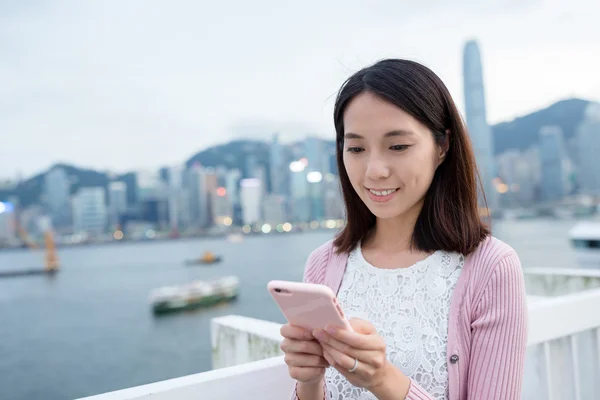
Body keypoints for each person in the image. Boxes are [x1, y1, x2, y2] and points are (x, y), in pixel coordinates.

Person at [280, 59, 527, 400]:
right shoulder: (324, 263)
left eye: (397, 146)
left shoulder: (490, 267)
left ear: (442, 146)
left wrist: (381, 380)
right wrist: (308, 381)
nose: (374, 170)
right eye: (355, 148)